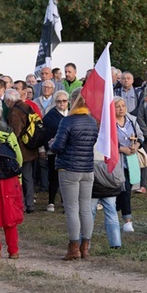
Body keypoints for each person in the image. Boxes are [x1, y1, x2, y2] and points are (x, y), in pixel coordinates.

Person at [50, 89, 98, 260]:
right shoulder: (92, 122)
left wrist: (51, 144)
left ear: (73, 101)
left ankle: (74, 247)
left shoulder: (67, 121)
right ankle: (86, 246)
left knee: (72, 208)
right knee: (86, 208)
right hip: (87, 167)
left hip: (69, 168)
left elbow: (58, 146)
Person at [0, 100, 24, 259]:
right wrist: (18, 179)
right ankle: (13, 250)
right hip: (9, 176)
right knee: (10, 213)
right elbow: (18, 158)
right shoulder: (10, 133)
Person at [4, 88, 38, 214]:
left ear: (9, 100)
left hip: (20, 150)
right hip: (30, 148)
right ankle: (30, 204)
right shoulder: (27, 107)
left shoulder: (14, 112)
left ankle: (22, 204)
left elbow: (15, 132)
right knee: (28, 177)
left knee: (19, 178)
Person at [114, 97, 144, 231]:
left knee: (128, 188)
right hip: (118, 161)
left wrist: (136, 145)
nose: (121, 109)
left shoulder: (132, 120)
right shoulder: (109, 123)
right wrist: (122, 149)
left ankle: (113, 212)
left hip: (131, 160)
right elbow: (107, 142)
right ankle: (127, 221)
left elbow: (140, 136)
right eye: (118, 106)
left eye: (123, 105)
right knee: (124, 189)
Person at [41, 90, 69, 212]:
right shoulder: (50, 116)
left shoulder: (72, 113)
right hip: (54, 151)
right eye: (58, 101)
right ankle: (51, 201)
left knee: (67, 177)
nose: (61, 103)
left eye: (64, 101)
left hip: (69, 152)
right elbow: (44, 133)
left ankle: (65, 200)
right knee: (54, 176)